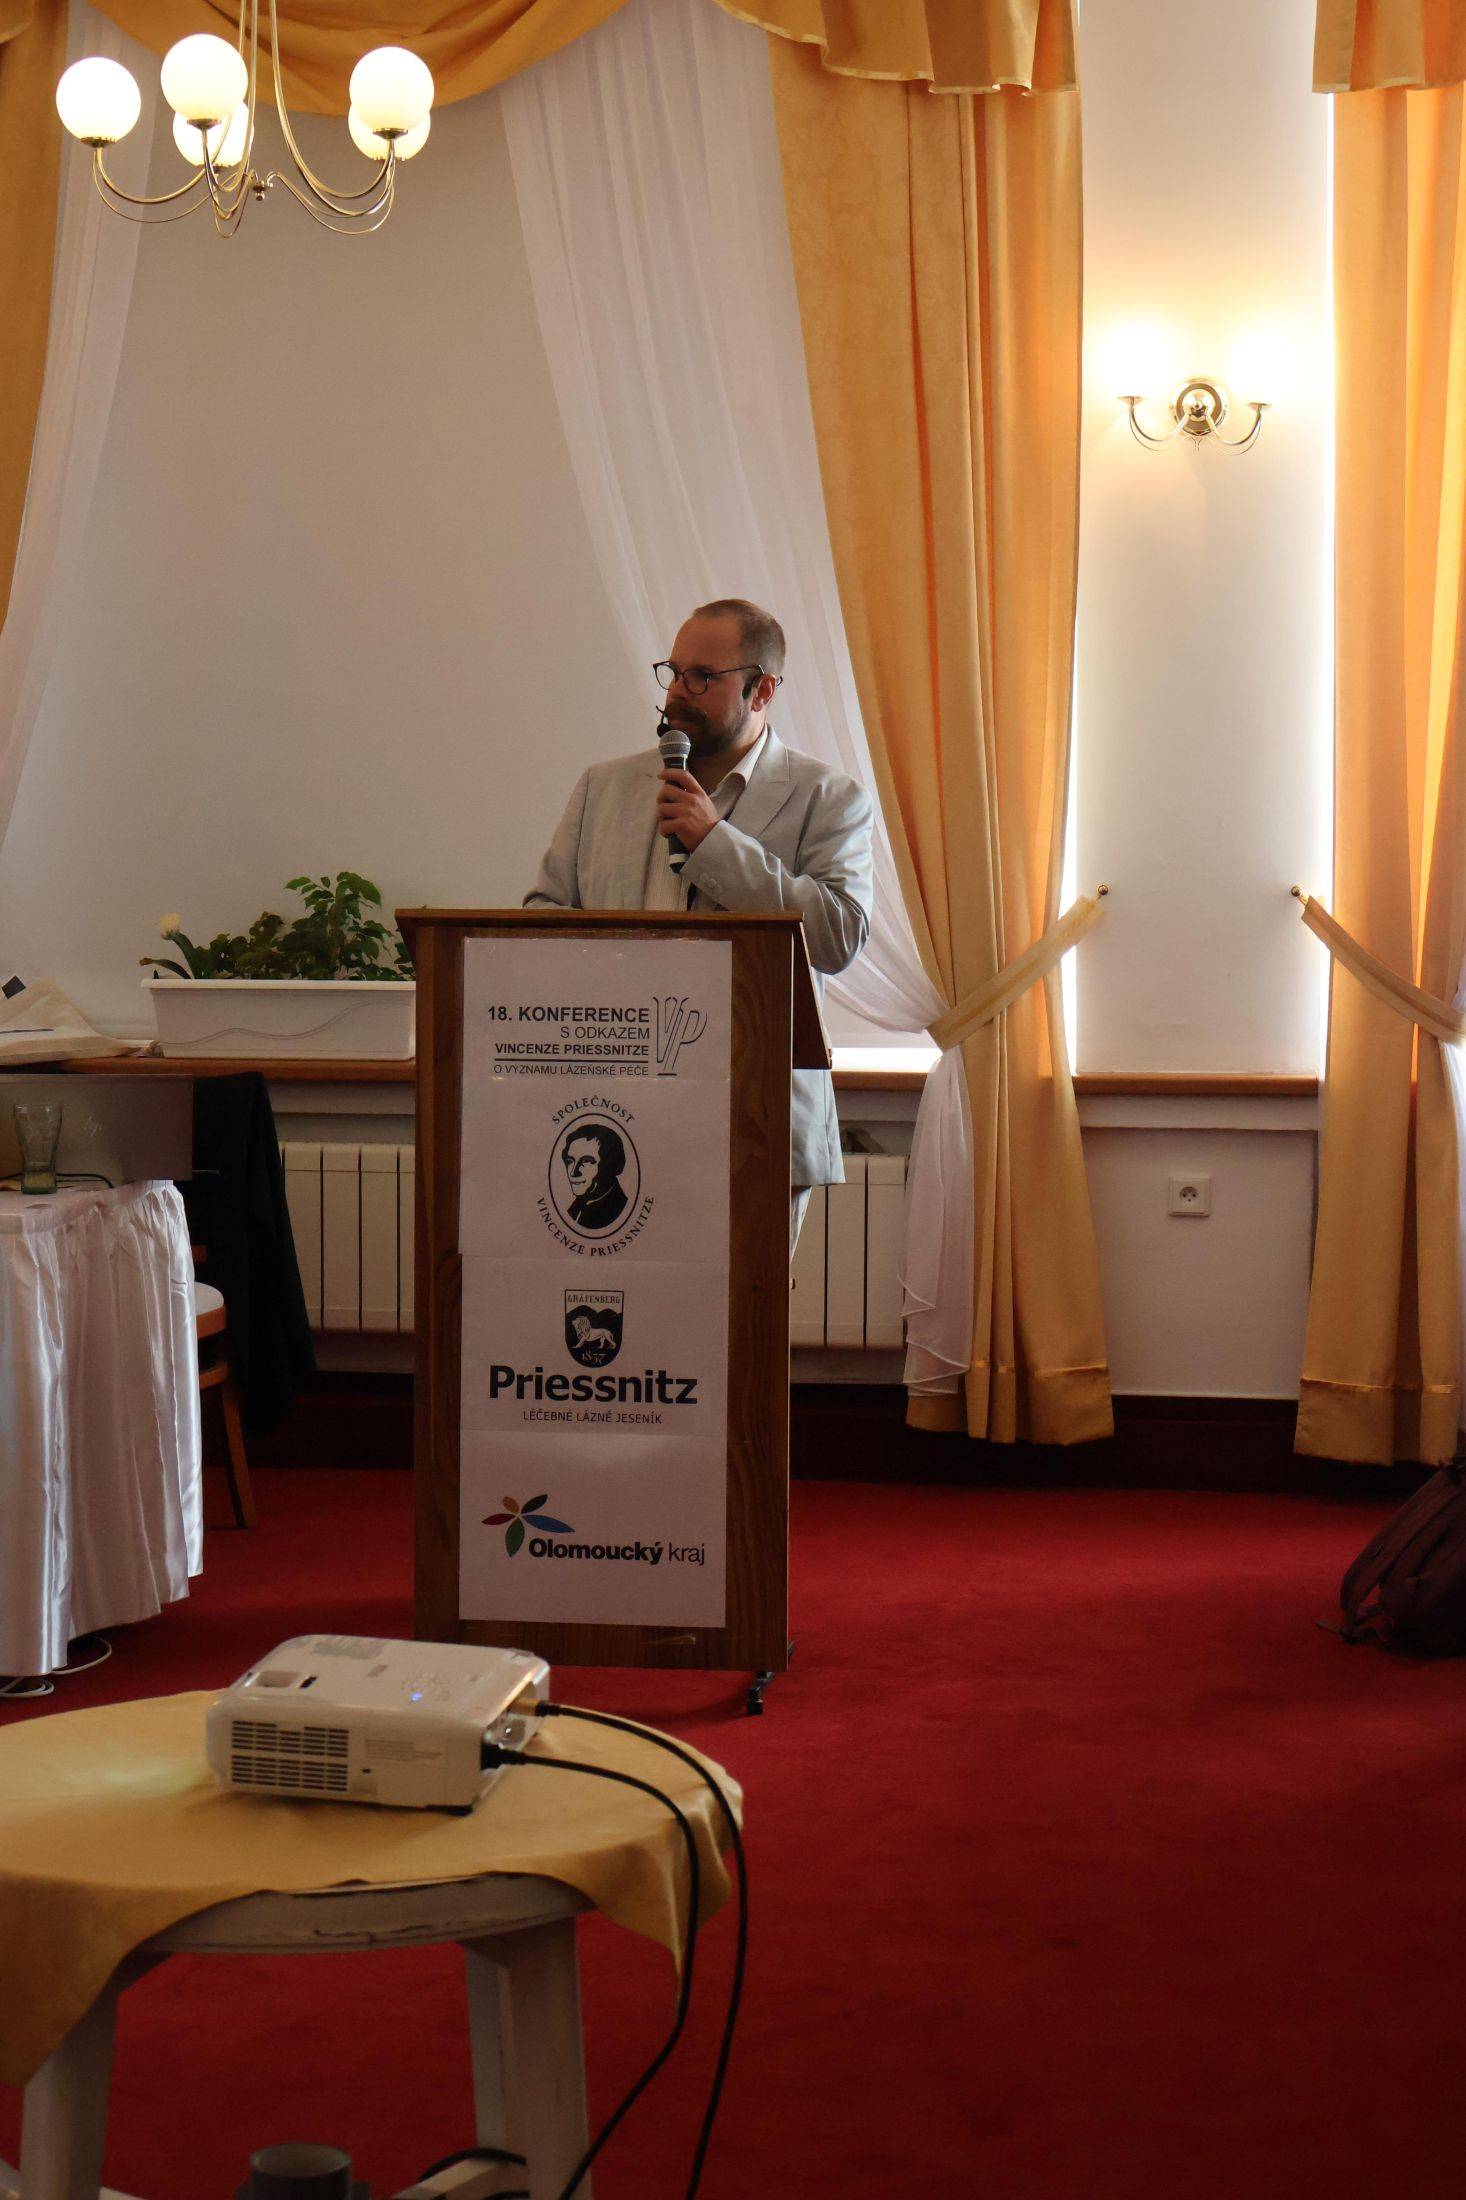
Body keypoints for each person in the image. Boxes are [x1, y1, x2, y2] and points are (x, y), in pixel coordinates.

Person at [525, 598, 874, 1246]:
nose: (678, 692)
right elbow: (541, 919)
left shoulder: (829, 799)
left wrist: (716, 845)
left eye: (702, 677)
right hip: (614, 1109)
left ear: (762, 690)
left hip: (756, 1120)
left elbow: (838, 936)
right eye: (673, 671)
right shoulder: (604, 788)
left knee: (744, 1309)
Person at [561, 1123, 629, 1232]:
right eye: (570, 1161)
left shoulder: (620, 1210)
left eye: (586, 1161)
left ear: (610, 1165)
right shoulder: (575, 1209)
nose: (573, 1172)